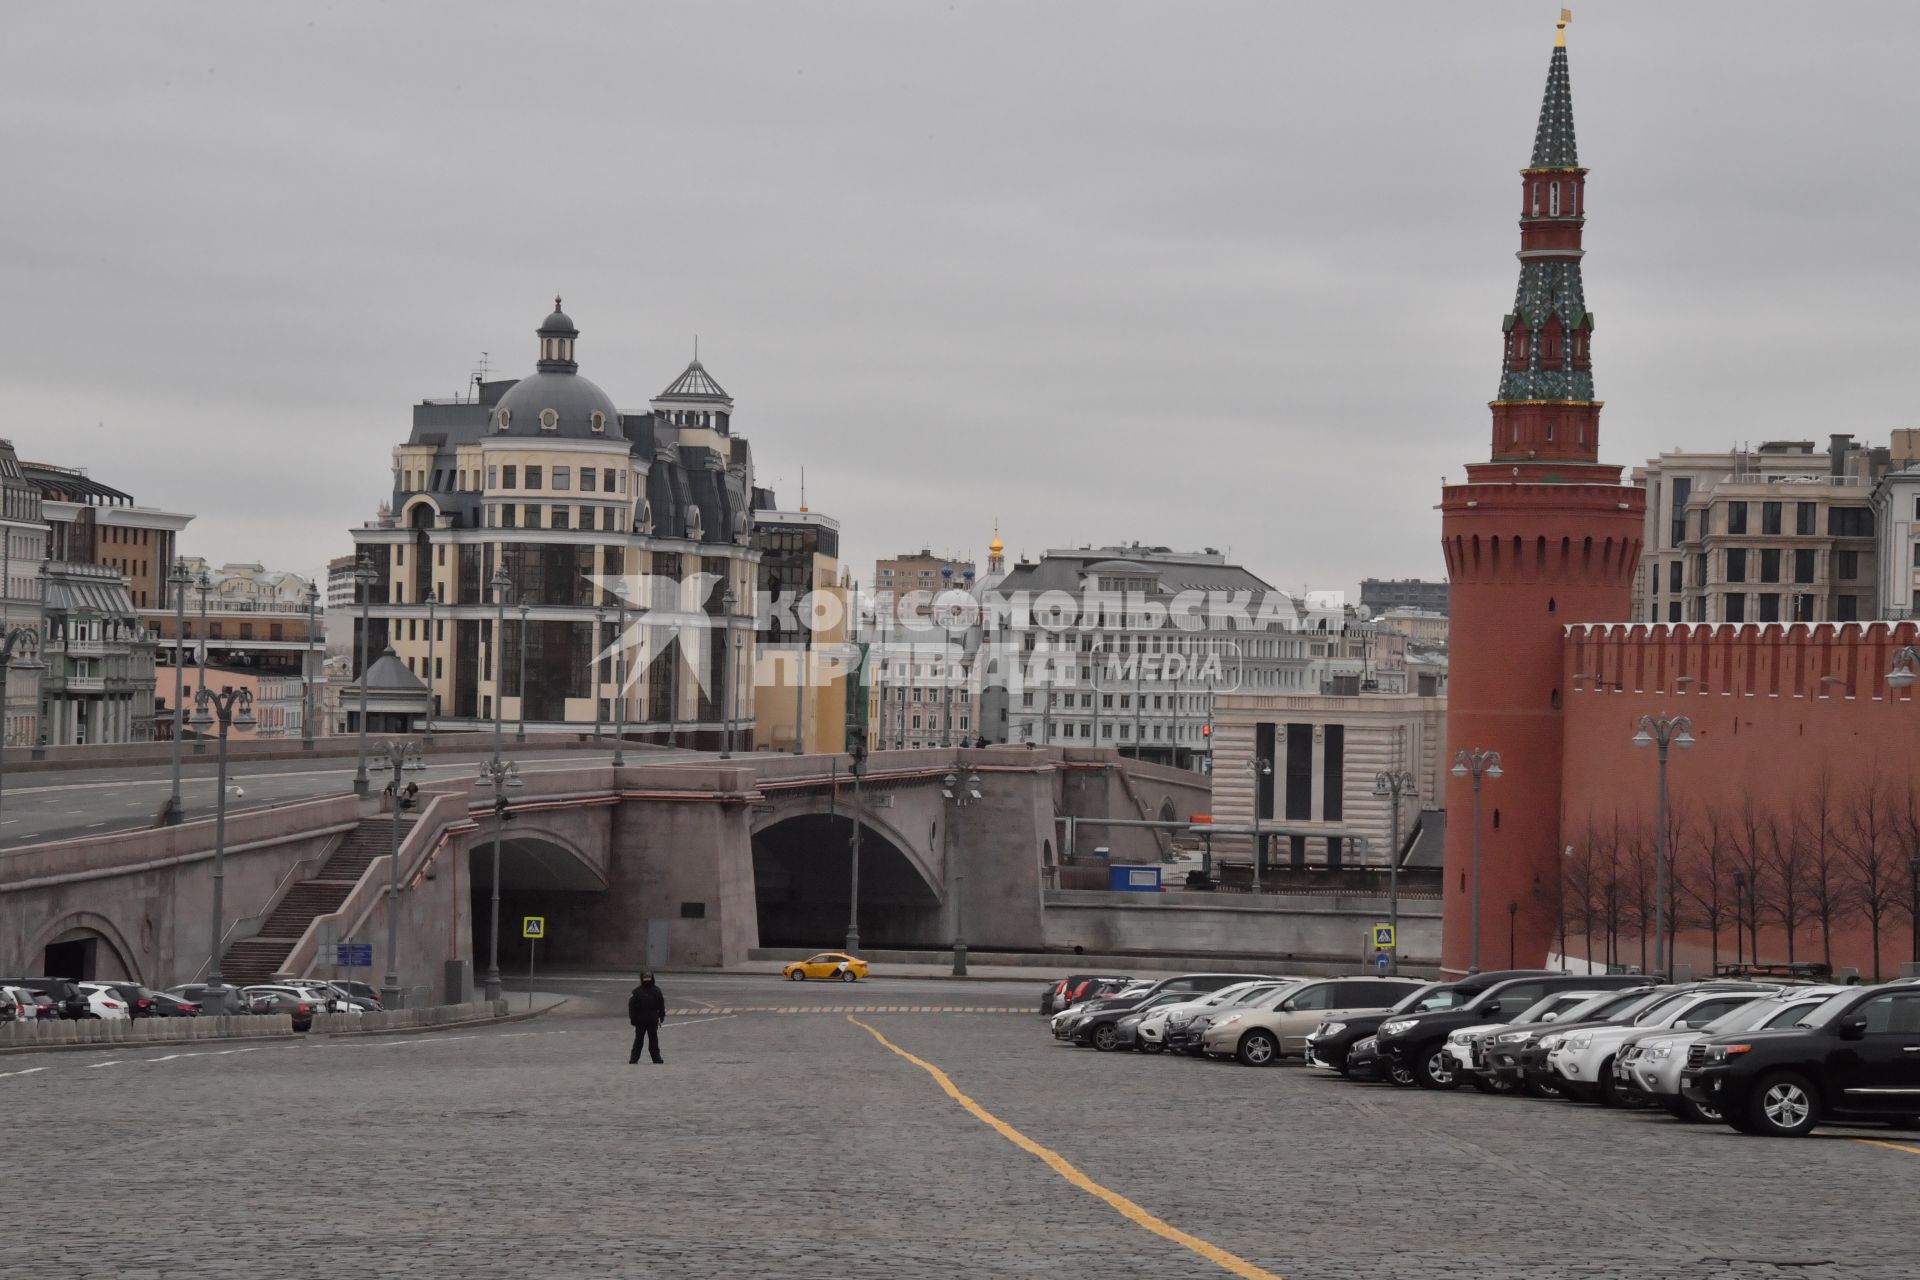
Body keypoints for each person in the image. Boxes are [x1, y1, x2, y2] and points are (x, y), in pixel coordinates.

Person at [628, 972, 666, 1064]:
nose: (647, 980)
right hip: (640, 1020)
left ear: (652, 978)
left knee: (653, 1040)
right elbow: (631, 1006)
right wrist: (633, 1018)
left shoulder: (657, 991)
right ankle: (634, 1058)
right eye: (645, 978)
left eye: (649, 977)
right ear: (642, 979)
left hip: (652, 1020)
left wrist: (661, 1016)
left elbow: (661, 1005)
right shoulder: (637, 992)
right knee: (638, 1040)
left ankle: (656, 1058)